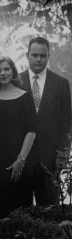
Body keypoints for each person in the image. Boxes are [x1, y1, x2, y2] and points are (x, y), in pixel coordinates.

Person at [0, 57, 37, 218]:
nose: (3, 73)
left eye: (6, 69)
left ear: (13, 71)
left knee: (17, 209)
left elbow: (31, 131)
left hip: (18, 159)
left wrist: (20, 160)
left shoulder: (25, 96)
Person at [19, 36, 72, 206]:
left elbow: (66, 122)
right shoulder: (15, 82)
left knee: (49, 210)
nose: (39, 59)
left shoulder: (61, 84)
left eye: (43, 55)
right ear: (27, 55)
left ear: (48, 56)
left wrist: (62, 156)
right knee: (20, 211)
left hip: (50, 160)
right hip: (21, 158)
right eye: (34, 55)